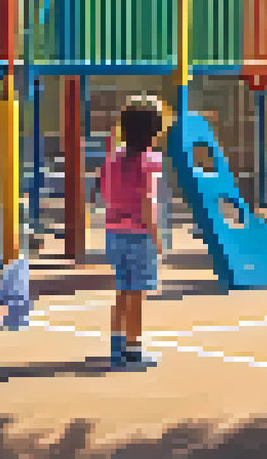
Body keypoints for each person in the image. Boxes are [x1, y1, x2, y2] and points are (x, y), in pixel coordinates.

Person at [99, 95, 169, 369]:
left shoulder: (112, 159)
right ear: (154, 130)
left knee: (122, 289)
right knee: (137, 292)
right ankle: (134, 349)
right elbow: (148, 200)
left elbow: (105, 192)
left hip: (113, 231)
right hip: (139, 234)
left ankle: (117, 347)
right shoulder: (150, 160)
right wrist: (156, 235)